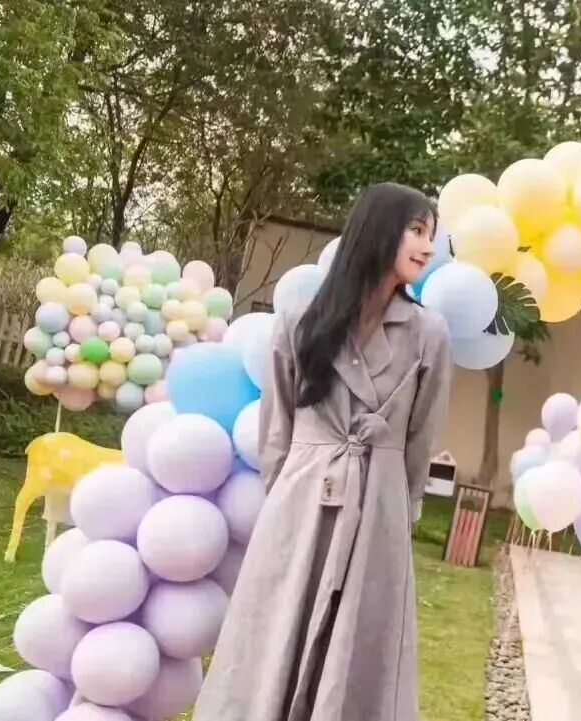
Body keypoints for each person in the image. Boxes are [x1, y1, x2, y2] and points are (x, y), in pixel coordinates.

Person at [194, 183, 453, 721]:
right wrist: (292, 493)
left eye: (431, 234)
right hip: (302, 497)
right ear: (378, 230)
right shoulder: (301, 320)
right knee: (276, 630)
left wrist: (396, 510)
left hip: (378, 505)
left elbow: (420, 436)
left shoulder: (429, 333)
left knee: (359, 639)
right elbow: (277, 429)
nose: (428, 247)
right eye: (416, 230)